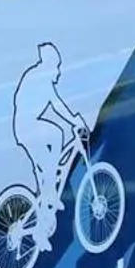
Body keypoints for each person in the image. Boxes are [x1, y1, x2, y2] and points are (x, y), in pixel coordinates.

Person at [12, 43, 87, 222]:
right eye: (57, 67)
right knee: (55, 137)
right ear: (49, 65)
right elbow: (58, 105)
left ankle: (43, 221)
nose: (59, 71)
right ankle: (50, 192)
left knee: (48, 156)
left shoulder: (37, 76)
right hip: (27, 126)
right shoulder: (40, 79)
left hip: (26, 127)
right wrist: (75, 120)